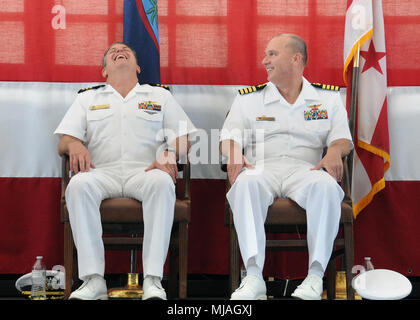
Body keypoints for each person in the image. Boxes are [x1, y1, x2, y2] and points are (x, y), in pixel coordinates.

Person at [54, 42, 196, 300]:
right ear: (104, 71)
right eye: (112, 52)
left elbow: (185, 138)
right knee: (78, 186)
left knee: (162, 183)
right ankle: (93, 280)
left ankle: (153, 280)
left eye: (126, 50)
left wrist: (170, 153)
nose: (119, 51)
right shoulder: (87, 98)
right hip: (101, 172)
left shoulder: (160, 96)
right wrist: (74, 143)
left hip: (144, 171)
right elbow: (63, 141)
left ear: (139, 67)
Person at [220, 34, 353, 300]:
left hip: (306, 169)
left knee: (327, 187)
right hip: (262, 167)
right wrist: (233, 152)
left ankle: (314, 278)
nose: (264, 60)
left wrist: (335, 152)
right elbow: (228, 138)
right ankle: (254, 277)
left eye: (271, 54)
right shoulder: (249, 99)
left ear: (296, 58)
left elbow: (342, 139)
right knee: (246, 182)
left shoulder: (326, 98)